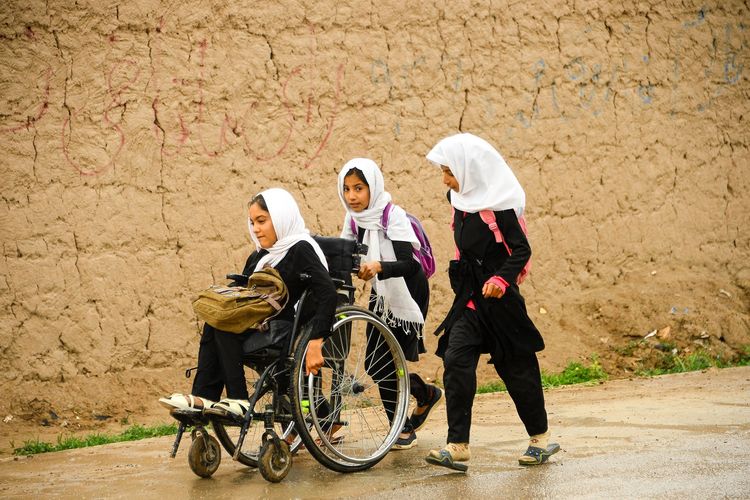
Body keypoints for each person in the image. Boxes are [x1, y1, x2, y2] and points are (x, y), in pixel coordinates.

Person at [423, 133, 559, 471]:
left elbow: (522, 250)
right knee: (456, 358)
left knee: (516, 367)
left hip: (501, 301)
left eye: (449, 172)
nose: (446, 180)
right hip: (471, 298)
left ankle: (540, 439)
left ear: (470, 170)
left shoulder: (500, 206)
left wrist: (501, 279)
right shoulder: (458, 199)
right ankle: (457, 446)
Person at [159, 188, 337, 417]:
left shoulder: (300, 249)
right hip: (258, 323)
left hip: (285, 327)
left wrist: (315, 341)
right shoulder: (260, 256)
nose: (255, 229)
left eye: (262, 221)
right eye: (252, 222)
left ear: (281, 217)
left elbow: (328, 293)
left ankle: (238, 400)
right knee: (216, 320)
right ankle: (205, 397)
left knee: (225, 326)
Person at [338, 158, 443, 450]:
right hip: (382, 291)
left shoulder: (391, 215)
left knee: (386, 359)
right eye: (347, 189)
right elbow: (345, 254)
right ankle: (425, 394)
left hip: (407, 290)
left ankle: (404, 429)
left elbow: (408, 265)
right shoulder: (353, 220)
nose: (352, 196)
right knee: (376, 360)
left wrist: (377, 267)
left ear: (373, 186)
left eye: (359, 188)